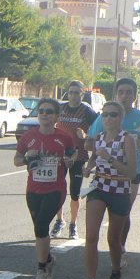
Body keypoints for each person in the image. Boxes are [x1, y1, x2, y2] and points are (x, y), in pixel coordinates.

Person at [86, 78, 140, 266]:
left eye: (129, 92)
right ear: (116, 94)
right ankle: (116, 249)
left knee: (125, 212)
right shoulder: (105, 115)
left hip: (131, 172)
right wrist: (91, 161)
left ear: (134, 95)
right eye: (121, 92)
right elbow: (91, 140)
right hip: (105, 175)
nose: (125, 96)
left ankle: (120, 247)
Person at [77, 101, 137, 279]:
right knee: (91, 236)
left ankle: (115, 272)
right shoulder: (100, 137)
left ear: (120, 118)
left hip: (119, 190)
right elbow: (95, 156)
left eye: (113, 115)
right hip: (99, 188)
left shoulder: (126, 139)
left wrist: (110, 159)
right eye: (105, 115)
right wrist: (88, 167)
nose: (108, 119)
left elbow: (131, 172)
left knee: (113, 239)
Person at [14, 98, 76, 279]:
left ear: (56, 116)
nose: (44, 114)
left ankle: (41, 271)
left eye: (49, 111)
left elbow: (74, 154)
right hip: (33, 189)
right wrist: (26, 157)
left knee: (41, 226)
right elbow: (16, 160)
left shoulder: (64, 137)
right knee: (39, 230)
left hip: (55, 189)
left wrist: (70, 160)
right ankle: (48, 259)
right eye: (41, 111)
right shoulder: (28, 136)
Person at [50, 80, 97, 240]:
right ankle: (59, 220)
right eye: (71, 92)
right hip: (59, 155)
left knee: (75, 193)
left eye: (77, 92)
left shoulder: (87, 111)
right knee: (57, 191)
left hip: (79, 155)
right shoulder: (61, 108)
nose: (73, 95)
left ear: (82, 94)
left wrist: (85, 136)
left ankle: (73, 224)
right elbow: (50, 125)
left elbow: (98, 130)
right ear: (67, 93)